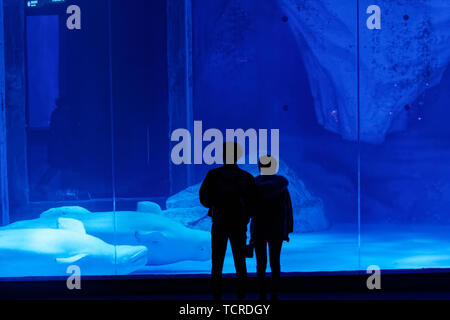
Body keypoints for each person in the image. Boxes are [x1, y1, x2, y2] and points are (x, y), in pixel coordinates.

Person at [199, 142, 258, 300]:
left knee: (217, 262)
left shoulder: (213, 175)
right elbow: (254, 204)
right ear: (238, 156)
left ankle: (216, 295)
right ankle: (242, 296)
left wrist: (216, 204)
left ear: (222, 156)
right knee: (240, 262)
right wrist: (244, 214)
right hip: (239, 225)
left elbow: (203, 199)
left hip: (219, 223)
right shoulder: (246, 177)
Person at [250, 155, 293, 301]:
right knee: (275, 262)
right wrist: (287, 230)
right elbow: (288, 210)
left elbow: (249, 210)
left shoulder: (253, 187)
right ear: (274, 167)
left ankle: (261, 292)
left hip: (259, 229)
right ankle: (275, 292)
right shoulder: (282, 188)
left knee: (260, 262)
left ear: (260, 167)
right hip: (276, 229)